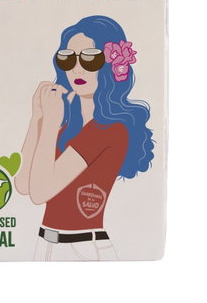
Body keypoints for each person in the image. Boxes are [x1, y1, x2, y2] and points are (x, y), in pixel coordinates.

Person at [15, 15, 154, 261]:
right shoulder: (67, 128)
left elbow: (40, 193)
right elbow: (23, 184)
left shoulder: (109, 130)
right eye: (68, 58)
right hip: (45, 243)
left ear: (110, 64)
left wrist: (50, 123)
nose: (77, 68)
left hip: (84, 248)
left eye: (90, 58)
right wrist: (37, 118)